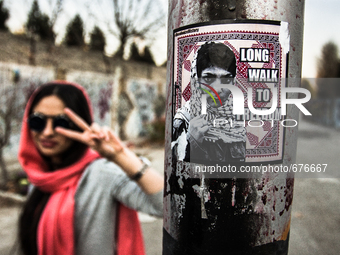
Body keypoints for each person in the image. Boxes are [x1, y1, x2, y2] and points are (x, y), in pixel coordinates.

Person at [17, 81, 163, 255]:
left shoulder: (101, 173)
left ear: (80, 124)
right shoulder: (39, 176)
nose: (47, 132)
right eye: (37, 121)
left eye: (61, 123)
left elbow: (165, 206)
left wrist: (120, 156)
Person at [172, 41, 246, 164]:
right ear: (196, 79)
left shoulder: (241, 120)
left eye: (226, 79)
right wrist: (192, 142)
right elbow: (176, 171)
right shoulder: (183, 121)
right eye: (208, 78)